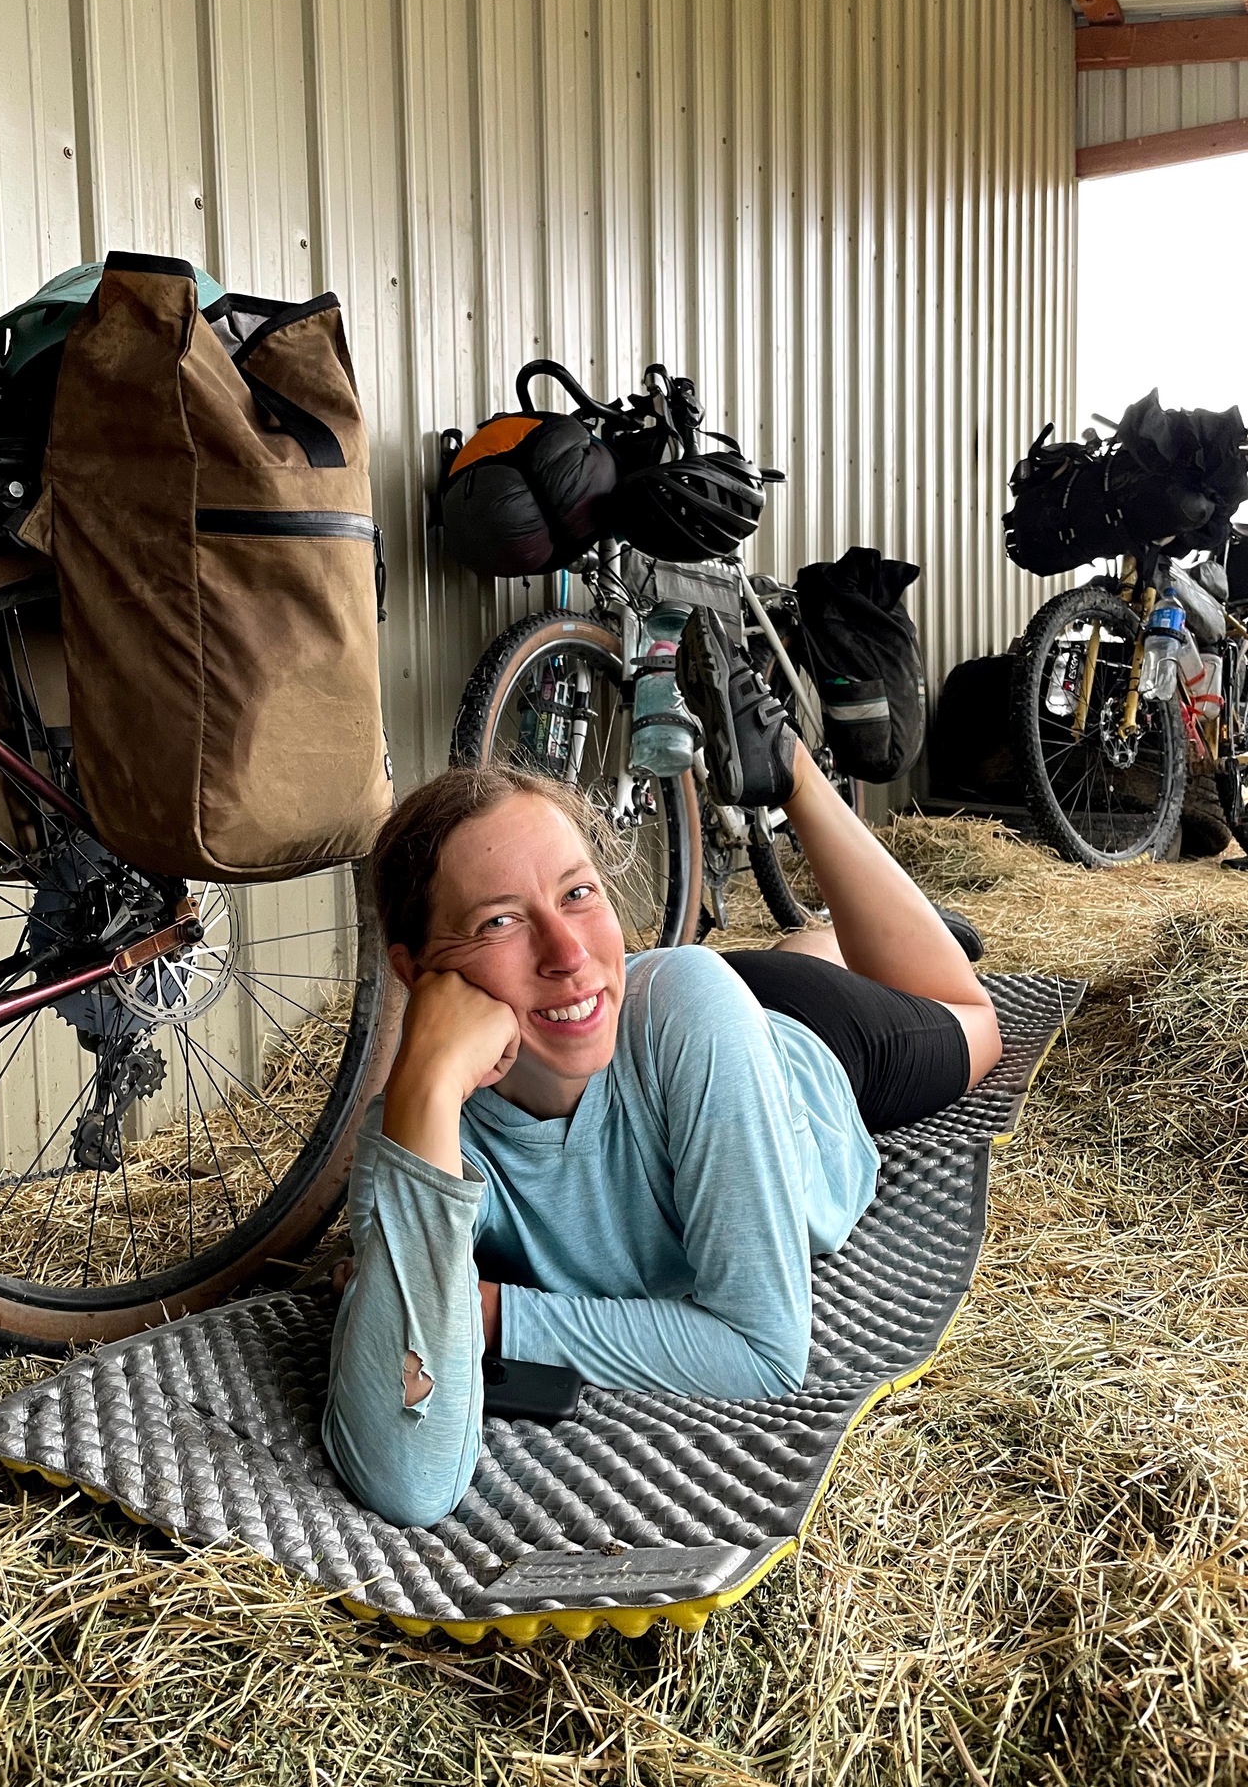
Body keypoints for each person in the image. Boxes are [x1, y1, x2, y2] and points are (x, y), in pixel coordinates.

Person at [321, 609, 1002, 1528]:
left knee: (971, 1019)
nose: (567, 949)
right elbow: (409, 1478)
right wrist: (425, 1089)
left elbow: (762, 1351)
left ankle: (788, 767)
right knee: (790, 957)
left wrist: (491, 1316)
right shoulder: (415, 1133)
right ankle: (826, 940)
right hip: (698, 1019)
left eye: (579, 894)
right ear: (417, 970)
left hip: (801, 1054)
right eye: (499, 922)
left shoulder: (686, 1000)